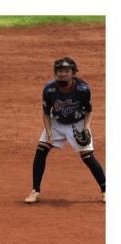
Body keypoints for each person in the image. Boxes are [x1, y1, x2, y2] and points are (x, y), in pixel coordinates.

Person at [25, 56, 106, 204]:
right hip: (56, 123)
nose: (62, 74)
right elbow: (45, 112)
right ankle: (35, 191)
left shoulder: (83, 89)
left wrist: (87, 129)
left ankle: (106, 190)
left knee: (87, 157)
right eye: (59, 71)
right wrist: (49, 132)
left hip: (77, 123)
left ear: (73, 73)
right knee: (41, 151)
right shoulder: (49, 89)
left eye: (66, 71)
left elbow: (89, 111)